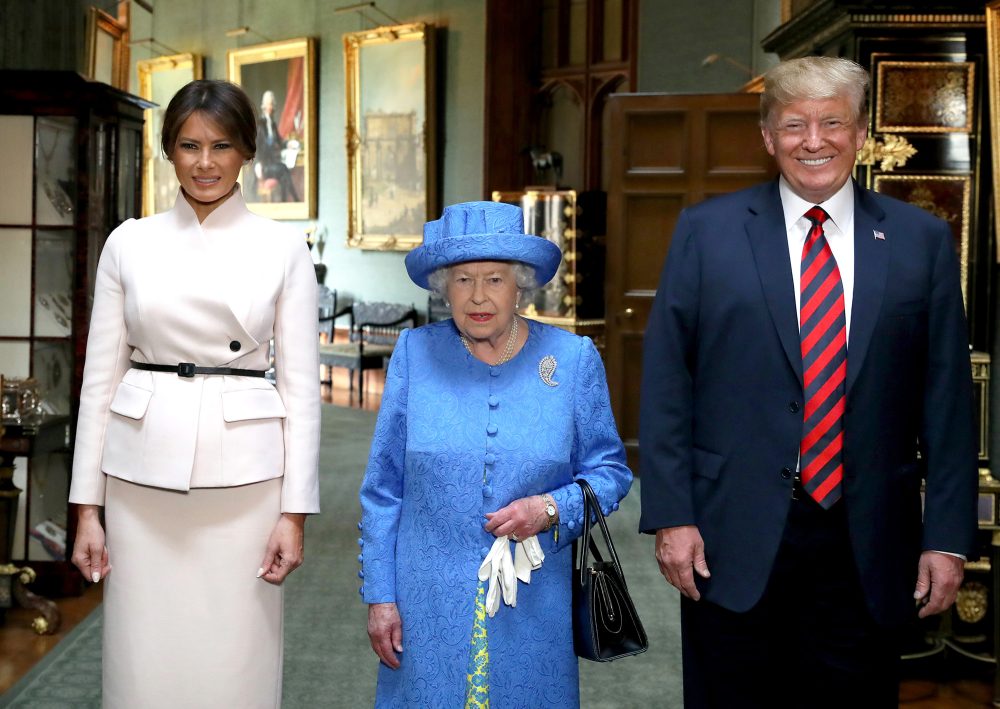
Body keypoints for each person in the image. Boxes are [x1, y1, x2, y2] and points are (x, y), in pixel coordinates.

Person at [639, 56, 977, 707]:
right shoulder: (706, 234)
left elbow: (947, 403)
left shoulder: (922, 240)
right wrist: (673, 514)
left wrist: (946, 536)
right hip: (730, 534)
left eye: (833, 122)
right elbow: (666, 386)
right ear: (768, 137)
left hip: (869, 541)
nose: (814, 140)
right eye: (795, 124)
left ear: (861, 133)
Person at [69, 79, 320, 708]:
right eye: (188, 146)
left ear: (246, 153)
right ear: (169, 151)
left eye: (221, 146)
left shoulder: (283, 246)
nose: (204, 163)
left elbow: (300, 388)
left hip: (244, 482)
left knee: (236, 658)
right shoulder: (129, 242)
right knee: (141, 659)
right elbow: (99, 382)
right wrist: (86, 509)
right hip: (139, 477)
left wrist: (294, 513)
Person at [359, 201, 632, 707]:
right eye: (462, 280)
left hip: (535, 605)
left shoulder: (572, 361)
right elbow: (383, 488)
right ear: (444, 287)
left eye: (494, 279)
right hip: (426, 603)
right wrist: (380, 595)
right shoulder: (413, 355)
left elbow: (611, 472)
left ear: (521, 285)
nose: (478, 297)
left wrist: (551, 509)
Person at [255, 89, 300, 202]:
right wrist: (258, 164)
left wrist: (288, 144)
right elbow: (257, 146)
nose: (271, 107)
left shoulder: (273, 124)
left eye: (272, 104)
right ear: (264, 106)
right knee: (284, 169)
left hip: (272, 163)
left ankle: (286, 202)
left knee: (284, 174)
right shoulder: (260, 124)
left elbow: (279, 141)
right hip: (263, 166)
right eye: (269, 104)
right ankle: (295, 200)